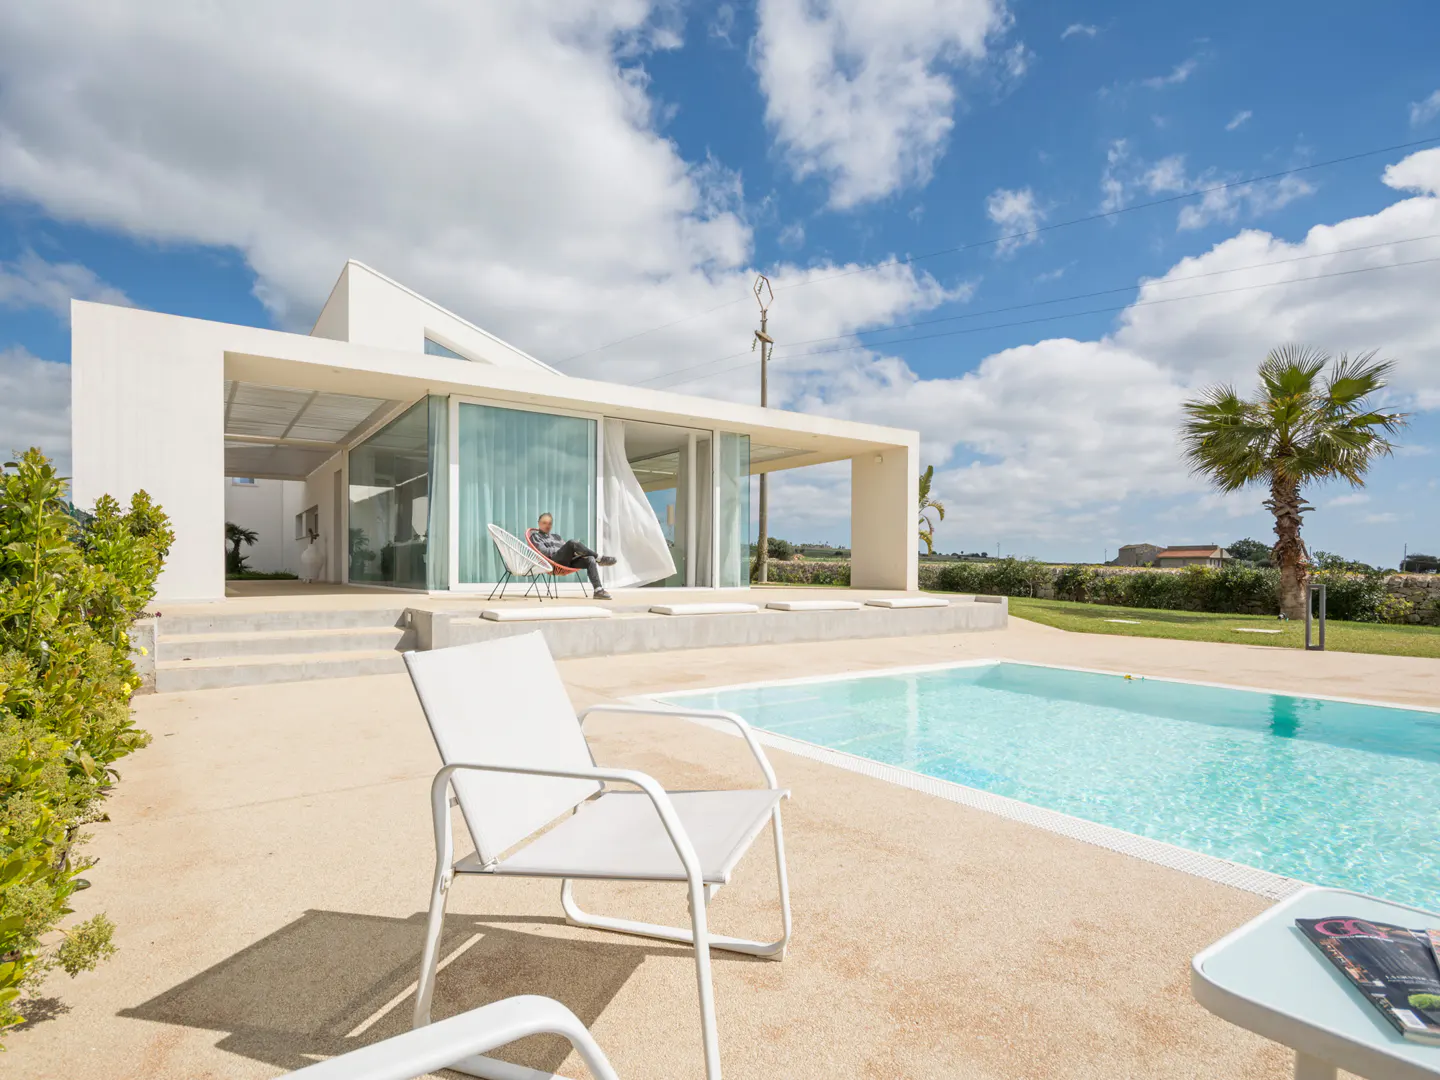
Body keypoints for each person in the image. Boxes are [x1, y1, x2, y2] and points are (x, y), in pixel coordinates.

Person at [529, 513, 618, 599]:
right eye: (544, 523)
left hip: (567, 561)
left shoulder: (556, 536)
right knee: (572, 543)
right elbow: (543, 551)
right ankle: (599, 558)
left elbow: (564, 548)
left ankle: (598, 590)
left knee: (590, 559)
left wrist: (573, 552)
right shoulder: (535, 536)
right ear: (539, 523)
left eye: (549, 523)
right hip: (553, 562)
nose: (547, 526)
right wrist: (561, 550)